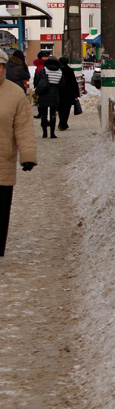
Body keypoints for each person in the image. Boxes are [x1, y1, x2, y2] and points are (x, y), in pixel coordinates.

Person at [0, 49, 38, 258]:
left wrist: (28, 155)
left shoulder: (15, 94)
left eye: (0, 66)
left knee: (1, 211)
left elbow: (23, 127)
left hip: (3, 161)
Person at [33, 57, 63, 139]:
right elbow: (62, 84)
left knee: (44, 114)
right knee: (53, 114)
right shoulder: (59, 72)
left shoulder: (44, 70)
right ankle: (52, 133)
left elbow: (37, 81)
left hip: (44, 93)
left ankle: (44, 133)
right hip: (54, 94)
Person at [56, 56, 81, 131]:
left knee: (60, 108)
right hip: (69, 92)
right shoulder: (70, 70)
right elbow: (74, 82)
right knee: (67, 109)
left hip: (59, 92)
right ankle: (63, 123)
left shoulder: (58, 70)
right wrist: (76, 92)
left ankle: (62, 122)